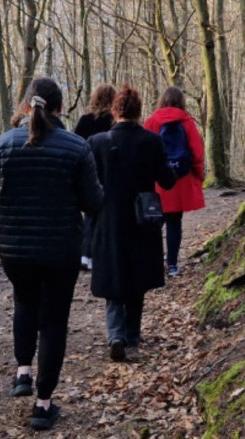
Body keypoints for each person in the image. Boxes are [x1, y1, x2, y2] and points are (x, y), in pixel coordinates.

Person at [0, 78, 104, 430]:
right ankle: (43, 404)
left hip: (15, 250)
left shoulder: (2, 144)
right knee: (53, 321)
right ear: (60, 108)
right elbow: (93, 202)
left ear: (25, 105)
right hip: (60, 249)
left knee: (25, 303)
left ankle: (22, 374)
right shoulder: (77, 148)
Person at [88, 86, 177, 362]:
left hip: (109, 218)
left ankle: (116, 334)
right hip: (142, 218)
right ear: (139, 112)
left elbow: (89, 185)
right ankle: (132, 333)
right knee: (137, 275)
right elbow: (167, 181)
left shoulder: (97, 142)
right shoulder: (151, 141)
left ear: (114, 111)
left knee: (114, 275)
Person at [143, 87, 205, 277]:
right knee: (174, 222)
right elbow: (197, 152)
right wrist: (198, 174)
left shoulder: (151, 121)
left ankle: (152, 264)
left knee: (154, 223)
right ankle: (172, 265)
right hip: (181, 181)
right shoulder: (186, 122)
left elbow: (144, 152)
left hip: (157, 182)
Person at [74, 85, 117, 270]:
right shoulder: (115, 121)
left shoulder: (85, 121)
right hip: (110, 174)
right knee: (108, 215)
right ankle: (104, 252)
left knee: (90, 215)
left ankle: (86, 254)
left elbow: (75, 145)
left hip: (88, 173)